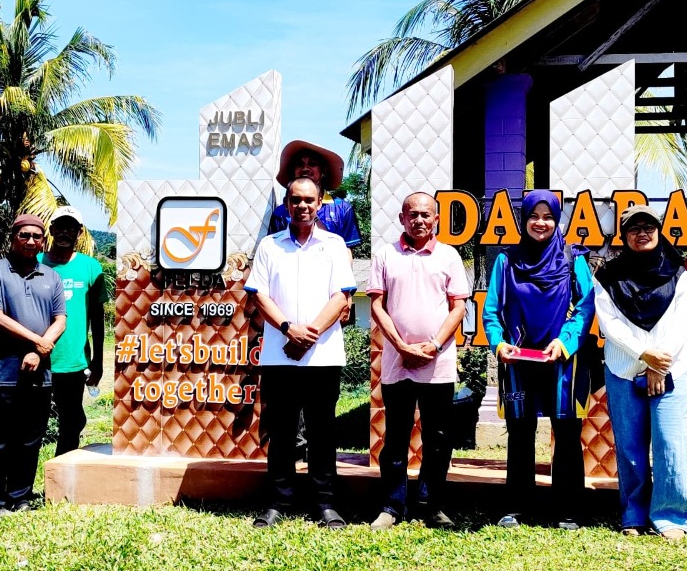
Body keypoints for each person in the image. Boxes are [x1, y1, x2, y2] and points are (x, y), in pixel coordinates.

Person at [482, 190, 598, 530]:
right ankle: (517, 507)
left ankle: (568, 510)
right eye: (534, 216)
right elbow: (491, 310)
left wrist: (565, 342)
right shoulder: (507, 260)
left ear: (557, 220)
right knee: (520, 431)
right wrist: (499, 344)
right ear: (524, 219)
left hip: (563, 360)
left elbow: (586, 307)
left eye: (548, 217)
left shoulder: (573, 258)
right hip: (517, 361)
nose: (540, 223)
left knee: (567, 431)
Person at [246, 176, 357, 528]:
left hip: (323, 356)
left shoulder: (334, 245)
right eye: (295, 200)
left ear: (320, 203)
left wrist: (309, 335)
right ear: (287, 204)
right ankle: (278, 502)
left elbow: (341, 296)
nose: (302, 206)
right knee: (280, 431)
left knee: (323, 431)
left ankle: (325, 504)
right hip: (279, 354)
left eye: (309, 200)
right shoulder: (270, 246)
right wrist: (287, 329)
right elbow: (259, 295)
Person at [367, 192, 470, 529]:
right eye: (413, 215)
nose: (419, 221)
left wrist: (434, 346)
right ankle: (391, 507)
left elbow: (458, 307)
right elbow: (377, 305)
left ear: (436, 219)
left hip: (437, 365)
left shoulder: (449, 256)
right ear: (402, 218)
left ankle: (431, 506)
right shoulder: (385, 255)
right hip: (397, 364)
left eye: (426, 215)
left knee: (438, 439)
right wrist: (401, 346)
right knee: (395, 439)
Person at [595, 203, 687, 540]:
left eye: (648, 227)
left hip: (671, 368)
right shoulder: (608, 276)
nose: (642, 234)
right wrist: (643, 355)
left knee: (671, 443)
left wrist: (657, 363)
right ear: (623, 235)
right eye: (634, 229)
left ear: (659, 231)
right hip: (623, 369)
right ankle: (633, 514)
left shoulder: (679, 272)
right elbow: (610, 325)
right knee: (630, 447)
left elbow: (682, 322)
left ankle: (672, 517)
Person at [0, 215, 67, 520]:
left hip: (39, 374)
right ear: (13, 237)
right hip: (2, 373)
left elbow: (60, 320)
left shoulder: (51, 276)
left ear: (43, 241)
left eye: (36, 236)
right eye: (24, 235)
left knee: (29, 439)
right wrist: (37, 343)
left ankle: (20, 496)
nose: (31, 241)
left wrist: (40, 351)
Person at [39, 206, 105, 457]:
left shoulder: (91, 267)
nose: (64, 232)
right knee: (32, 422)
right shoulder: (36, 262)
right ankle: (23, 478)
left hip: (73, 360)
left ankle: (61, 470)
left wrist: (98, 360)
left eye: (71, 228)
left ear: (79, 232)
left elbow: (97, 317)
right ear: (51, 229)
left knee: (73, 420)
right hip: (38, 358)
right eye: (60, 226)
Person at [267, 140, 361, 248]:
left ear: (324, 170)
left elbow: (347, 251)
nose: (305, 168)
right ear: (293, 171)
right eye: (299, 164)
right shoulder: (280, 213)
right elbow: (273, 249)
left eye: (312, 164)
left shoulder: (342, 209)